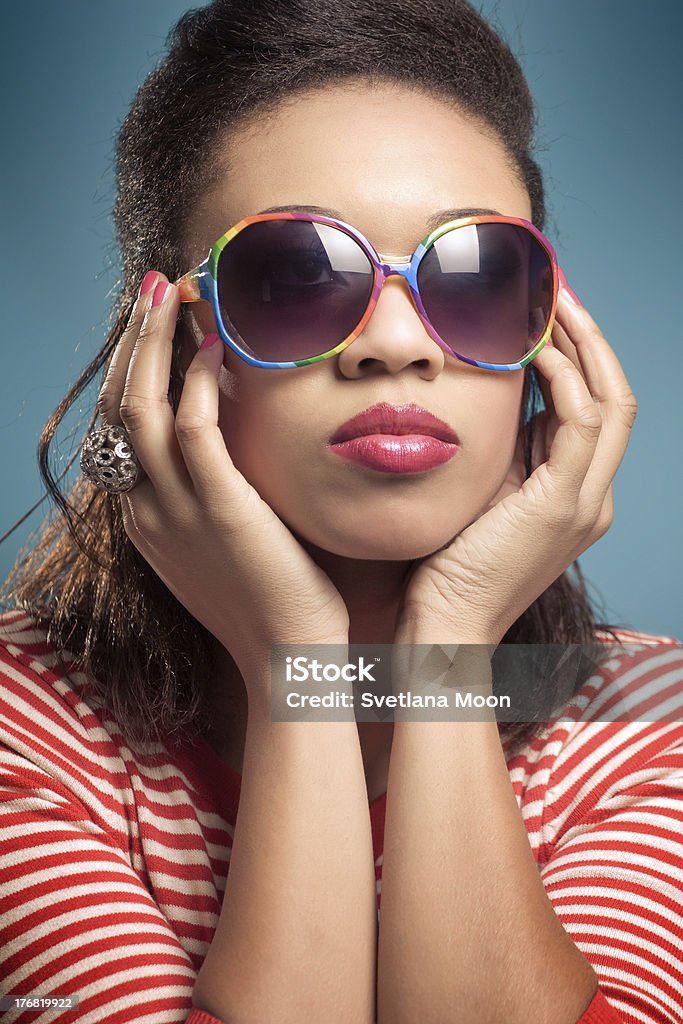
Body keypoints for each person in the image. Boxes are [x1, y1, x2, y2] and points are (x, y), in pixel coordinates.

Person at [0, 1, 681, 1022]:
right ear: (168, 351)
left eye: (477, 273)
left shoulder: (649, 716)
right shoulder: (25, 716)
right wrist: (296, 662)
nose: (397, 344)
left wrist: (447, 643)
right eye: (294, 273)